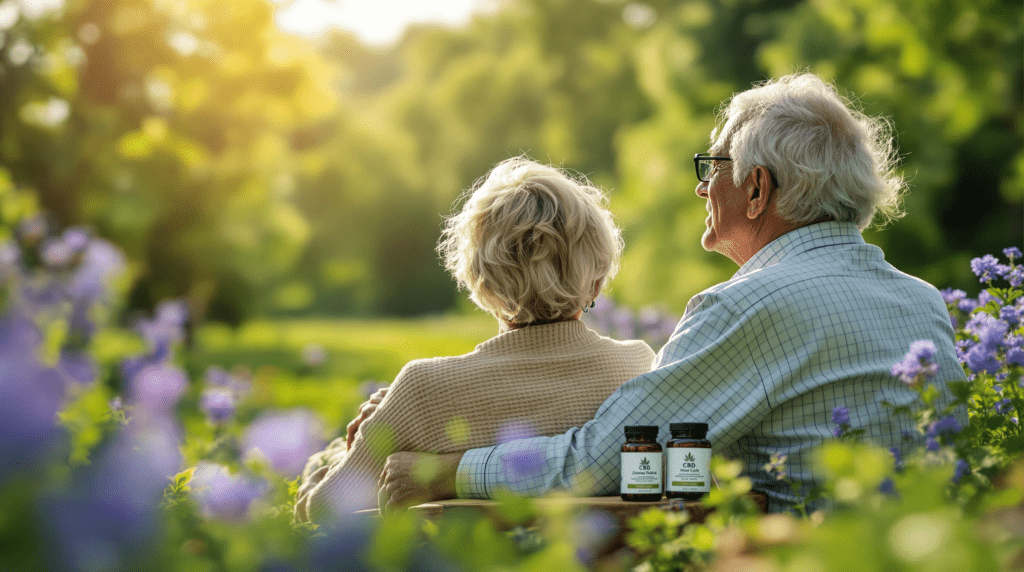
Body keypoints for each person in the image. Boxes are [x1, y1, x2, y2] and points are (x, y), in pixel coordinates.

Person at [365, 73, 966, 513]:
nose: (704, 189)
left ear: (756, 189)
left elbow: (604, 462)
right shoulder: (922, 301)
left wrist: (447, 472)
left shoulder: (748, 304)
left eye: (714, 167)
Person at [293, 158, 656, 523]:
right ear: (596, 278)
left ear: (479, 280)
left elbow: (322, 512)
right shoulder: (638, 367)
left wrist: (340, 456)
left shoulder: (422, 390)